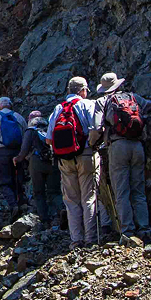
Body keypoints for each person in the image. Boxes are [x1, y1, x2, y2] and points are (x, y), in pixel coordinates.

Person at [96, 72, 150, 238]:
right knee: (139, 191)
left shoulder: (103, 101)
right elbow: (149, 106)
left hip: (118, 146)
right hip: (137, 145)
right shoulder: (134, 97)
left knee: (121, 192)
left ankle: (127, 231)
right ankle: (145, 230)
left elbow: (98, 126)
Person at [49, 76, 101, 247]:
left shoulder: (58, 108)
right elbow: (97, 129)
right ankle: (91, 238)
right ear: (83, 90)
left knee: (71, 200)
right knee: (89, 197)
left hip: (64, 159)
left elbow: (49, 139)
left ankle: (76, 239)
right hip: (86, 154)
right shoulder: (89, 104)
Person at [16, 109, 62, 231]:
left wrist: (17, 159)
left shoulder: (30, 131)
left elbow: (24, 150)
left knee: (39, 192)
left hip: (36, 163)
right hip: (53, 162)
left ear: (30, 120)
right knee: (55, 191)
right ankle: (62, 211)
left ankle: (45, 220)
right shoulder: (50, 127)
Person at [0, 96, 27, 217]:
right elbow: (25, 137)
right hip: (18, 153)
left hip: (3, 153)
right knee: (18, 179)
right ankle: (21, 204)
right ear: (11, 105)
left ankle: (13, 206)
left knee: (5, 181)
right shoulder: (19, 117)